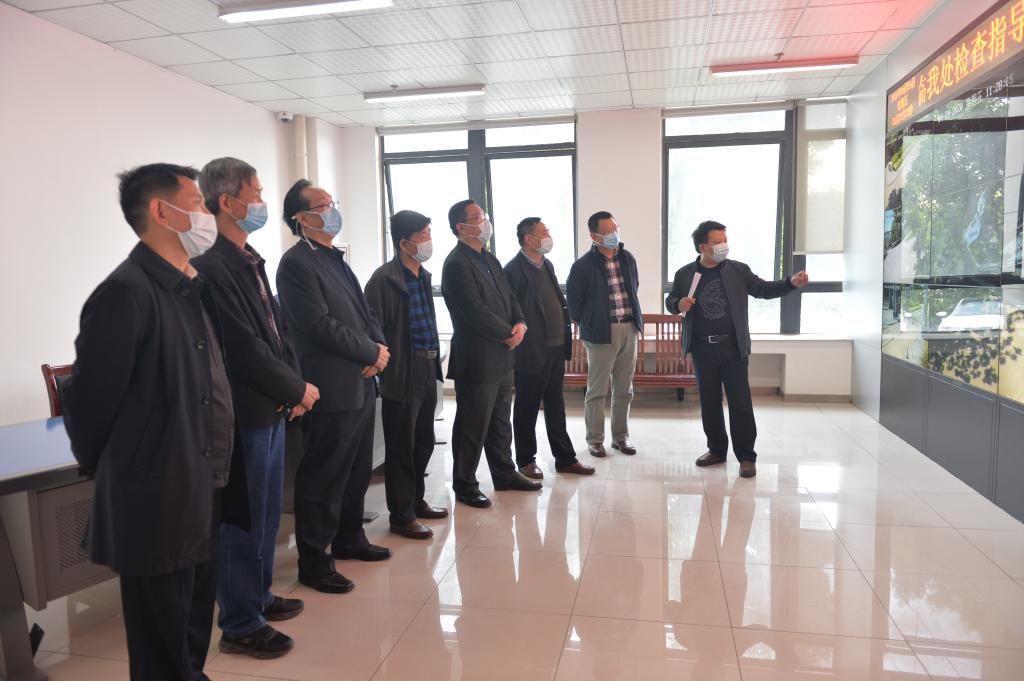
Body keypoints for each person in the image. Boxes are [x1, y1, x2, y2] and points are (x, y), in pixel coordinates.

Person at [63, 163, 243, 681]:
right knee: (160, 637)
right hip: (157, 493)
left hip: (201, 482)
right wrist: (127, 470)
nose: (207, 214)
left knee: (193, 617)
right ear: (163, 212)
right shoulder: (127, 292)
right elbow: (89, 404)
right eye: (199, 204)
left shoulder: (188, 286)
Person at [192, 158, 318, 659]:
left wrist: (293, 386)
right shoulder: (211, 265)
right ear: (228, 202)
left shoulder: (248, 258)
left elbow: (277, 331)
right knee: (241, 520)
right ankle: (240, 623)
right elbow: (242, 348)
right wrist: (294, 388)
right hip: (241, 412)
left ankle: (259, 596)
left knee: (266, 513)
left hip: (271, 405)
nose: (264, 202)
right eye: (258, 194)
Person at [276, 180, 391, 595]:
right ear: (301, 218)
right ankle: (314, 560)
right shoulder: (295, 264)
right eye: (322, 206)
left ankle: (349, 538)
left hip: (361, 381)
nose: (331, 211)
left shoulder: (335, 258)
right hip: (331, 384)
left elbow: (365, 313)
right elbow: (317, 324)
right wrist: (369, 351)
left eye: (332, 203)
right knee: (325, 476)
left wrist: (379, 348)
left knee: (357, 470)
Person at [665, 220, 809, 478]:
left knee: (740, 403)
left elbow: (763, 289)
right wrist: (678, 304)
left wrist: (790, 283)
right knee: (709, 402)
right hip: (702, 348)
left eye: (725, 240)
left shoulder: (738, 270)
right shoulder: (685, 274)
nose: (724, 246)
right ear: (702, 247)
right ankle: (716, 450)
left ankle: (746, 456)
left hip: (733, 347)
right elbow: (671, 300)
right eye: (717, 242)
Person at [441, 199, 542, 508]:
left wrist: (520, 323)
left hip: (502, 356)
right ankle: (465, 484)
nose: (485, 221)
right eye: (477, 217)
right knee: (472, 424)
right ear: (461, 227)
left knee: (500, 422)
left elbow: (510, 298)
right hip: (478, 358)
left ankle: (504, 473)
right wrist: (508, 333)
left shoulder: (489, 259)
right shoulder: (456, 264)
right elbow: (474, 311)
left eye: (484, 215)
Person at [364, 210, 449, 539]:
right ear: (403, 243)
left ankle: (416, 501)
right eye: (423, 235)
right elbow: (373, 329)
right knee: (401, 447)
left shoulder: (423, 276)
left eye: (429, 233)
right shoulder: (383, 280)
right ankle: (401, 516)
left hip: (427, 367)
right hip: (402, 371)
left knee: (423, 441)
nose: (429, 241)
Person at [504, 217, 594, 478]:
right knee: (527, 406)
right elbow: (511, 310)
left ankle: (565, 458)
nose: (548, 236)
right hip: (532, 349)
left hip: (556, 346)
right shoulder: (513, 270)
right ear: (529, 238)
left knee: (556, 405)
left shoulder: (547, 264)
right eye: (544, 232)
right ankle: (525, 460)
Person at [566, 211, 643, 458]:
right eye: (608, 231)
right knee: (597, 390)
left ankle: (621, 437)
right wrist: (591, 322)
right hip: (600, 332)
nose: (614, 234)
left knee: (624, 389)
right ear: (594, 236)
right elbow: (574, 304)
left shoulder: (627, 258)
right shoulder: (582, 266)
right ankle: (595, 439)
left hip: (629, 329)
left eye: (616, 228)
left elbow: (634, 288)